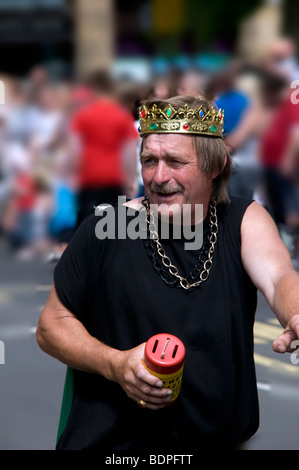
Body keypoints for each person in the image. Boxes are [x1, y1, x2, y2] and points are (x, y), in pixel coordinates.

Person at [36, 95, 299, 451]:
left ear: (216, 165)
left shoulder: (242, 219)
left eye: (175, 161)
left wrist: (296, 313)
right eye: (149, 161)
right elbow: (51, 326)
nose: (159, 177)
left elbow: (280, 276)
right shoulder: (107, 228)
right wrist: (115, 364)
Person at [69, 70, 139, 227]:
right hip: (115, 178)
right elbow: (129, 152)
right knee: (113, 226)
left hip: (88, 178)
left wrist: (73, 175)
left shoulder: (83, 115)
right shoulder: (122, 115)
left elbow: (75, 150)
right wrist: (130, 180)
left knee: (86, 225)